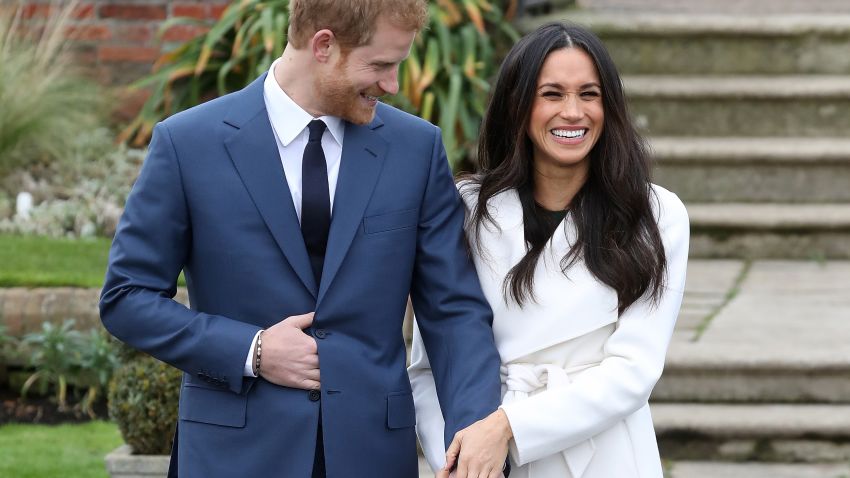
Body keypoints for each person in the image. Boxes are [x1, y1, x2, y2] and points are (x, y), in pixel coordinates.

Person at [99, 1, 504, 476]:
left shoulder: (416, 149)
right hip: (232, 456)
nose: (392, 85)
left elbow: (453, 311)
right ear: (324, 45)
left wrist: (475, 436)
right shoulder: (187, 144)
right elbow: (127, 297)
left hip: (371, 454)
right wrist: (250, 350)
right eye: (380, 65)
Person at [409, 22, 690, 478]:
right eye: (552, 94)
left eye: (590, 94)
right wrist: (459, 459)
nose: (573, 112)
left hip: (604, 455)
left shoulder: (654, 214)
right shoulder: (465, 208)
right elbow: (429, 364)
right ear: (518, 107)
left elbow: (633, 371)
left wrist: (508, 428)